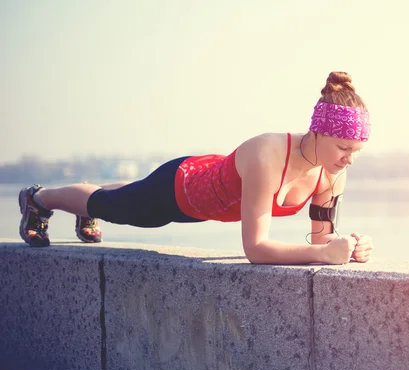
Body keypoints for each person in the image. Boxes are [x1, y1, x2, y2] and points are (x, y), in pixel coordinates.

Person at [18, 71, 374, 265]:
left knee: (122, 195)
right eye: (344, 147)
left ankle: (96, 191)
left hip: (204, 207)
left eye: (356, 150)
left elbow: (323, 238)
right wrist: (322, 254)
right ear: (318, 131)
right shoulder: (269, 154)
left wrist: (348, 246)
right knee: (112, 208)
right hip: (178, 189)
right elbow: (256, 248)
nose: (349, 159)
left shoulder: (333, 171)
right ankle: (39, 199)